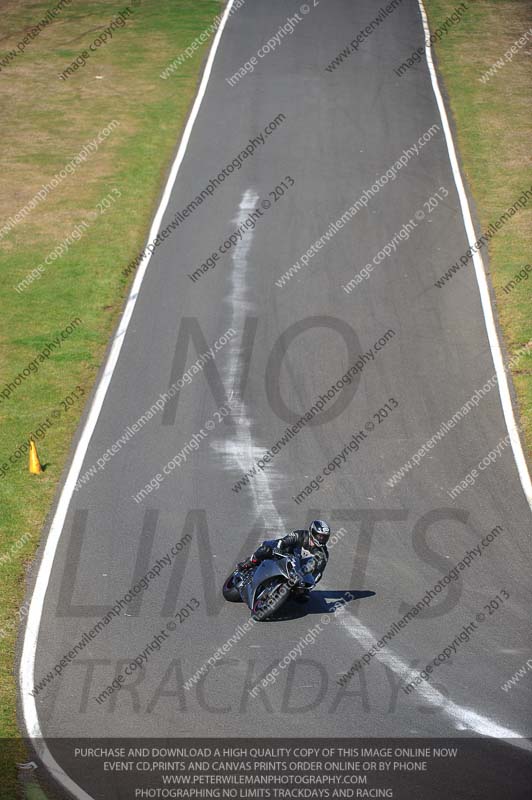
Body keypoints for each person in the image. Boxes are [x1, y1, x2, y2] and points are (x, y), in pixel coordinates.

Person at [237, 520, 331, 595]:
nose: (322, 539)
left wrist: (308, 586)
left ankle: (282, 596)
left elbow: (318, 573)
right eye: (320, 536)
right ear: (313, 532)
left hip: (297, 570)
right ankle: (250, 562)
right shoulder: (300, 535)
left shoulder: (323, 554)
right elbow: (283, 542)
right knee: (265, 550)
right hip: (283, 554)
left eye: (325, 537)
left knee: (303, 598)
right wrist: (278, 549)